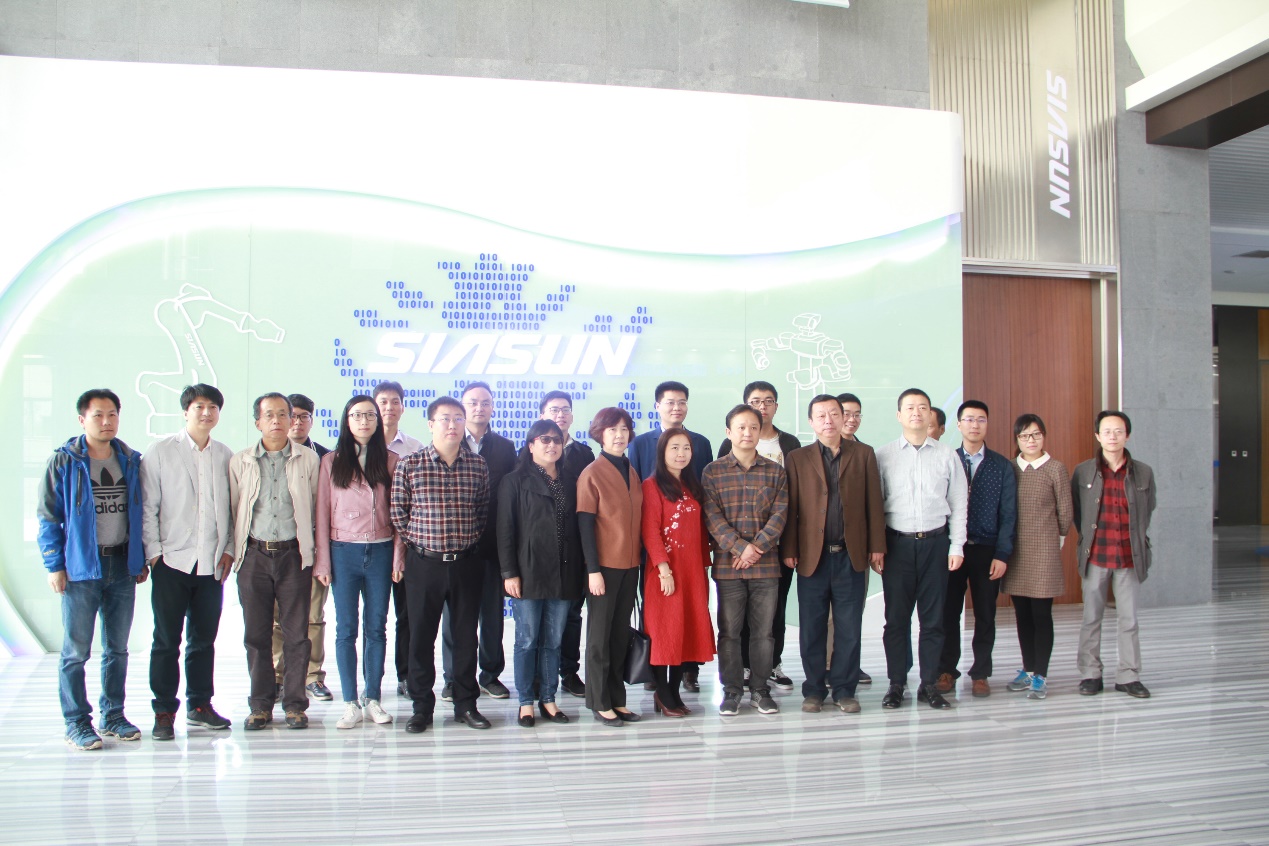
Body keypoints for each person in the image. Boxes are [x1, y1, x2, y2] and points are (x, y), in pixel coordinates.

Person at [38, 389, 148, 750]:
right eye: (98, 415)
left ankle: (113, 716)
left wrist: (139, 559)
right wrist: (55, 565)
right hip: (81, 567)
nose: (106, 422)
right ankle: (76, 722)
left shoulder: (130, 460)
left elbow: (141, 513)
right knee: (76, 652)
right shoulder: (64, 462)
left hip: (122, 565)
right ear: (82, 419)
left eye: (112, 414)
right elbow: (48, 517)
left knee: (117, 648)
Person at [390, 396, 492, 732]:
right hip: (424, 565)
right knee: (421, 638)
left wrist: (466, 542)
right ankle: (422, 708)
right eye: (445, 419)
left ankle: (466, 704)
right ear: (431, 424)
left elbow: (482, 512)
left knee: (465, 637)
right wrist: (420, 545)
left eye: (458, 419)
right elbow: (398, 514)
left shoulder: (477, 465)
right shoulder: (411, 464)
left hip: (465, 564)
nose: (452, 425)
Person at [141, 383, 234, 740]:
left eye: (213, 407)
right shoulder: (161, 451)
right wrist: (155, 555)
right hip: (172, 561)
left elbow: (231, 509)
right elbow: (148, 507)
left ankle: (199, 705)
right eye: (199, 406)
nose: (206, 413)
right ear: (185, 411)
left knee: (203, 640)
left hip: (211, 564)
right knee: (166, 640)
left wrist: (228, 549)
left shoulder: (225, 455)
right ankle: (164, 710)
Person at [781, 395, 885, 714]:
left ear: (843, 418)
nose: (828, 420)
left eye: (834, 414)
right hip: (812, 557)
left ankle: (844, 690)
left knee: (849, 628)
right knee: (812, 627)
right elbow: (791, 507)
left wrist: (877, 546)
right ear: (811, 422)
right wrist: (789, 548)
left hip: (851, 555)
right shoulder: (797, 458)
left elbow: (874, 503)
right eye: (821, 415)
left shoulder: (864, 454)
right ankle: (813, 690)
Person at [229, 393, 320, 730]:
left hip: (294, 555)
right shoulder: (240, 461)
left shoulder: (308, 459)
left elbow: (316, 508)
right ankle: (260, 705)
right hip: (253, 555)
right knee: (256, 635)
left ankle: (295, 705)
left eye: (283, 414)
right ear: (258, 422)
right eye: (269, 415)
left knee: (297, 633)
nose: (277, 421)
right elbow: (234, 510)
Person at [313, 396, 405, 729]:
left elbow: (399, 514)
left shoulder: (392, 461)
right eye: (357, 415)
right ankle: (350, 702)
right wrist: (323, 562)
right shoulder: (331, 461)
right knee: (346, 629)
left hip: (380, 551)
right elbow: (322, 513)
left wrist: (398, 555)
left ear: (378, 421)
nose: (364, 421)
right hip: (343, 552)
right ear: (347, 420)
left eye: (370, 415)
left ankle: (373, 698)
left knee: (377, 628)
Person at [875, 388, 968, 711]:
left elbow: (959, 503)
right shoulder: (883, 456)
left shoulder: (947, 455)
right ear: (899, 415)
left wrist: (957, 545)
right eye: (910, 407)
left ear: (931, 415)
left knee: (934, 620)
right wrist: (878, 548)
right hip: (897, 546)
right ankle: (896, 683)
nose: (916, 412)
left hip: (936, 545)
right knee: (896, 620)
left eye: (923, 407)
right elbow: (876, 506)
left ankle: (929, 684)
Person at [703, 404, 789, 717]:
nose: (747, 433)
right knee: (729, 632)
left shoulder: (775, 471)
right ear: (729, 432)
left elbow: (780, 515)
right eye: (741, 427)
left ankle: (760, 690)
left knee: (764, 633)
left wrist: (755, 548)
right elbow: (712, 517)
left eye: (753, 427)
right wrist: (741, 548)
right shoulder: (712, 472)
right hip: (729, 567)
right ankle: (731, 691)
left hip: (766, 567)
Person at [498, 420, 584, 727]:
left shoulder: (572, 480)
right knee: (527, 639)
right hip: (529, 572)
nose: (552, 445)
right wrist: (510, 573)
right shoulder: (514, 481)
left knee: (553, 640)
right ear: (531, 445)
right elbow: (505, 530)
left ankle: (549, 698)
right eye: (544, 440)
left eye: (556, 440)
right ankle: (526, 702)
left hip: (564, 572)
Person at [718, 381, 802, 693]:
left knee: (773, 613)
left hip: (774, 548)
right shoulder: (723, 454)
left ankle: (770, 667)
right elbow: (718, 506)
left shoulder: (789, 444)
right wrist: (741, 547)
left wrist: (760, 546)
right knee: (735, 620)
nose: (762, 407)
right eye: (756, 401)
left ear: (776, 406)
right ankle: (740, 670)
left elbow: (789, 502)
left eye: (768, 401)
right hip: (733, 554)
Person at [439, 382, 516, 703]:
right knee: (454, 616)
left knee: (492, 615)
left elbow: (511, 498)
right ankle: (453, 677)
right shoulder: (448, 442)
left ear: (493, 407)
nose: (479, 408)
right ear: (463, 407)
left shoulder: (505, 448)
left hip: (491, 545)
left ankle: (490, 675)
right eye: (472, 402)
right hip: (455, 545)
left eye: (485, 402)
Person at [1072, 411, 1157, 699]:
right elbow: (1078, 512)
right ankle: (1090, 674)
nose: (1112, 436)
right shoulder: (1083, 471)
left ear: (1127, 436)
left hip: (1129, 556)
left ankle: (1128, 676)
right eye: (1107, 431)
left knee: (1129, 619)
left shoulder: (1143, 472)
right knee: (1091, 617)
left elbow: (1148, 509)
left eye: (1118, 431)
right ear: (1097, 435)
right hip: (1095, 555)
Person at [936, 401, 1017, 698]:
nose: (974, 425)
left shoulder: (1001, 465)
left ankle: (981, 673)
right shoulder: (947, 459)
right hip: (952, 549)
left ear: (987, 424)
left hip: (986, 550)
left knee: (985, 614)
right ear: (958, 425)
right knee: (948, 613)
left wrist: (1002, 554)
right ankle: (946, 670)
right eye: (969, 419)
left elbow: (1008, 514)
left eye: (981, 419)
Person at [640, 428, 716, 717]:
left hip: (692, 570)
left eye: (686, 448)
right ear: (662, 452)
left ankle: (674, 692)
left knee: (684, 631)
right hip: (665, 572)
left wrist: (703, 566)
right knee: (664, 632)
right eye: (674, 447)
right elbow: (650, 531)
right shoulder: (651, 485)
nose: (681, 453)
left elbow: (700, 531)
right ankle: (662, 693)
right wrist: (663, 569)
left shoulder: (692, 485)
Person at [576, 406, 643, 726]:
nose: (619, 435)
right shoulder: (591, 473)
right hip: (603, 568)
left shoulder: (631, 470)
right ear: (600, 434)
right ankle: (599, 701)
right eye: (612, 429)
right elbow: (585, 526)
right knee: (599, 638)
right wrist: (593, 571)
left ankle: (618, 699)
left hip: (630, 565)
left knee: (619, 635)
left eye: (624, 429)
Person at [1001, 413, 1072, 701]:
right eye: (1024, 436)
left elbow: (1065, 513)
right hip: (1015, 551)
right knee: (1022, 614)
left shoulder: (1055, 468)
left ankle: (1041, 674)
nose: (1031, 440)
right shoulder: (1010, 468)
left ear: (1044, 436)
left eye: (1036, 434)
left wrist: (1056, 540)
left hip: (1044, 551)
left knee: (1041, 614)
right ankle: (1028, 669)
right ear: (1017, 439)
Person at [274, 392, 334, 702]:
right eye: (292, 415)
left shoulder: (326, 458)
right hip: (276, 549)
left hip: (315, 549)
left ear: (312, 420)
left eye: (303, 416)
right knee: (276, 618)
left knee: (313, 616)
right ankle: (277, 677)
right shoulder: (268, 454)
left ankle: (312, 676)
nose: (297, 422)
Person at [539, 390, 592, 698]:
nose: (560, 415)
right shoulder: (529, 451)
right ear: (543, 415)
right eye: (553, 410)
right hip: (541, 548)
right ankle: (540, 675)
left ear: (572, 416)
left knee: (572, 614)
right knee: (542, 615)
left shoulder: (585, 454)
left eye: (565, 410)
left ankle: (569, 672)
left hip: (575, 548)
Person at [374, 380, 423, 697]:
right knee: (374, 619)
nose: (389, 407)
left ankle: (406, 675)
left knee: (407, 614)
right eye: (383, 401)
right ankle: (371, 682)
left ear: (403, 407)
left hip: (407, 543)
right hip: (373, 543)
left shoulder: (415, 448)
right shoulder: (361, 446)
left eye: (395, 401)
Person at [628, 380, 713, 482]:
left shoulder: (702, 443)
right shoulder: (639, 444)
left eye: (682, 403)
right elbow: (634, 484)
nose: (677, 408)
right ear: (657, 406)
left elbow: (707, 483)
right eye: (670, 403)